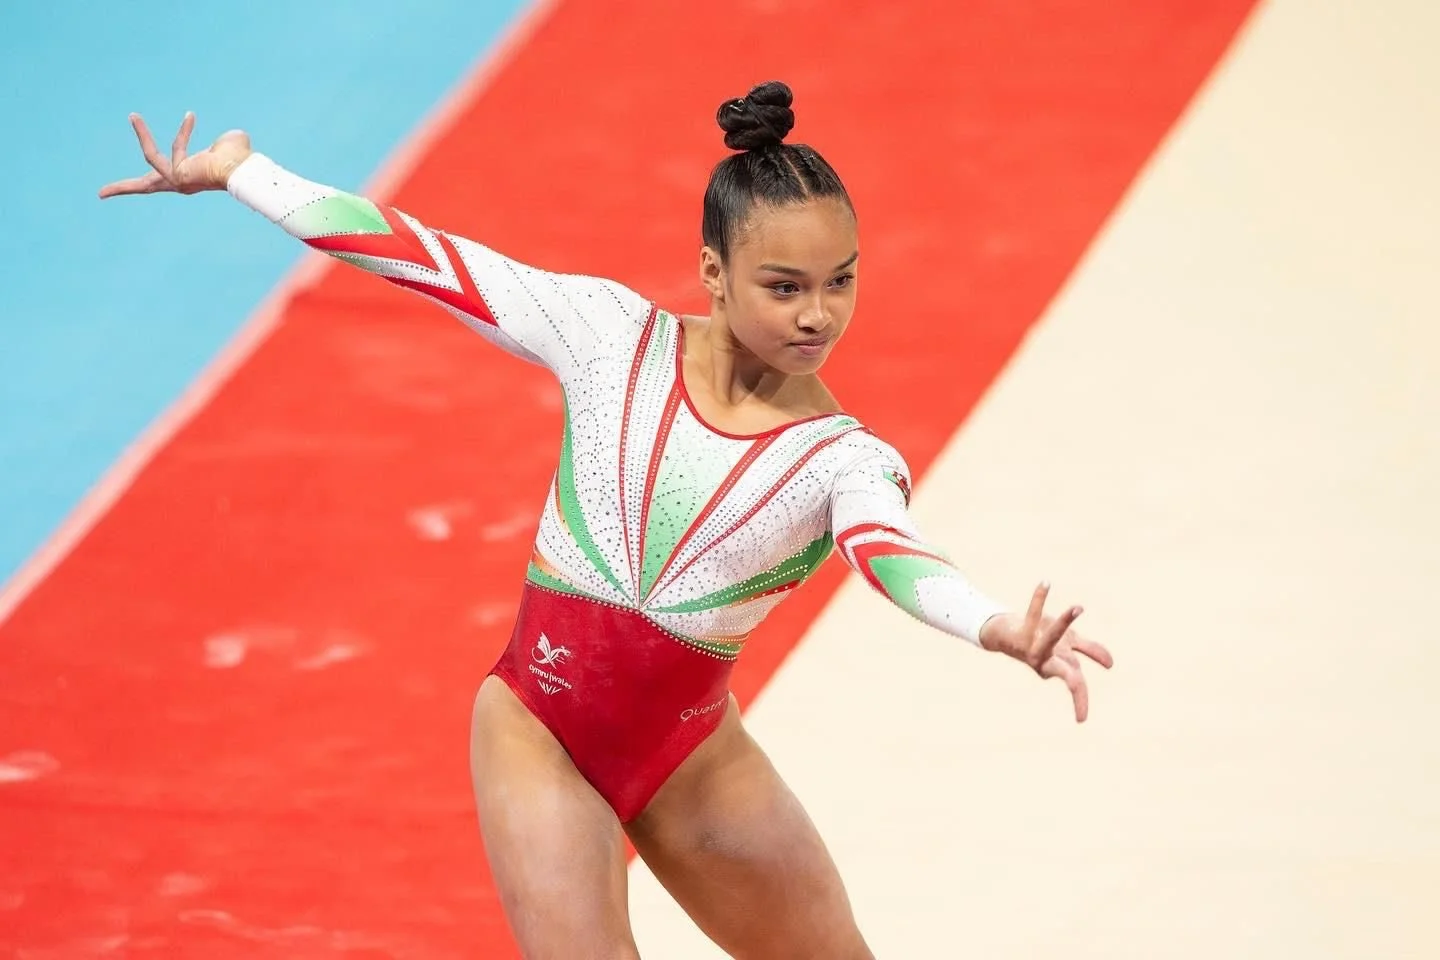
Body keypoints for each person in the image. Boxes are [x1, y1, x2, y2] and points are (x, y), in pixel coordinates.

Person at [101, 81, 1113, 960]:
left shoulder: (842, 456)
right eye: (785, 286)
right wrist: (243, 172)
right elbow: (418, 254)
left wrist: (992, 625)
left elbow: (890, 553)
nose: (818, 314)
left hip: (692, 759)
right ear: (714, 275)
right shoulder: (607, 338)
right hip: (537, 726)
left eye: (841, 282)